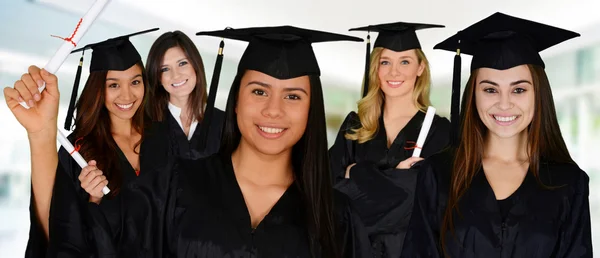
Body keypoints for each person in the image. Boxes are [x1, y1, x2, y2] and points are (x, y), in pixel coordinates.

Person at [122, 25, 370, 257]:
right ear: (236, 101)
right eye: (259, 91)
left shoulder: (336, 216)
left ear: (311, 110)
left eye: (293, 96)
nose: (273, 110)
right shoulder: (172, 187)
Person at [401, 12, 592, 257]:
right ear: (473, 95)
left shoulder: (568, 183)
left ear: (539, 95)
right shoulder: (438, 174)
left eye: (519, 89)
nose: (504, 104)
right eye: (490, 89)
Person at [5, 28, 170, 257]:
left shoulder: (164, 136)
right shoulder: (80, 149)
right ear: (98, 89)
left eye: (135, 82)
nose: (127, 95)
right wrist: (93, 200)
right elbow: (59, 230)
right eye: (113, 85)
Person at [328, 22, 450, 257]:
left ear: (420, 67)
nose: (394, 72)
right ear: (376, 68)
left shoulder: (439, 131)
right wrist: (398, 180)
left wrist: (354, 173)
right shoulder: (355, 125)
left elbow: (433, 205)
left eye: (405, 61)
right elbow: (330, 197)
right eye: (385, 62)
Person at [145, 30, 225, 159]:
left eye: (182, 63)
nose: (175, 75)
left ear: (195, 66)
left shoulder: (225, 124)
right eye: (165, 69)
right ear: (158, 78)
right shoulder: (145, 125)